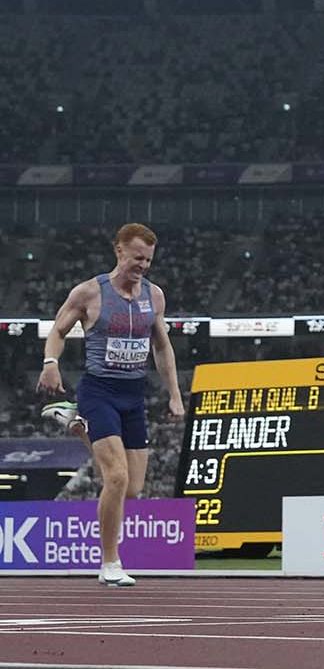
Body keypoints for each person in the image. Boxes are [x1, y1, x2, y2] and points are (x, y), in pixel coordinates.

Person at [34, 223, 187, 587]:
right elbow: (57, 331)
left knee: (131, 488)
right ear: (119, 251)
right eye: (137, 258)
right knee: (115, 476)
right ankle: (110, 562)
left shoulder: (155, 296)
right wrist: (50, 364)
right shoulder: (90, 293)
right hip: (99, 391)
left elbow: (162, 347)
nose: (143, 266)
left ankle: (75, 423)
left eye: (148, 260)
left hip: (133, 395)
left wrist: (175, 394)